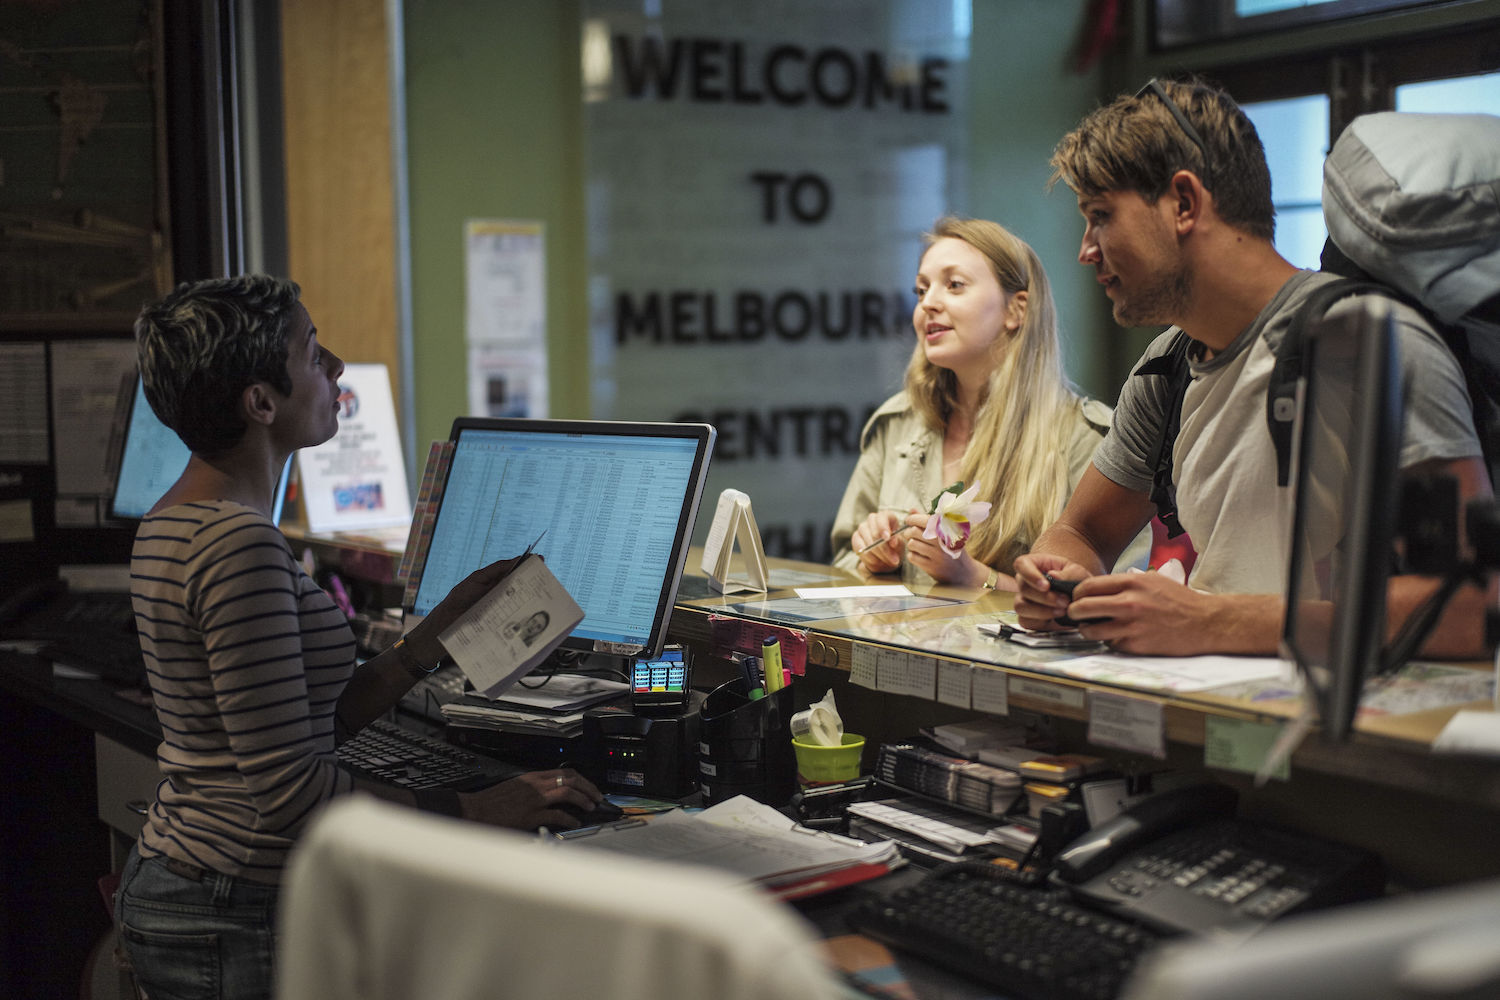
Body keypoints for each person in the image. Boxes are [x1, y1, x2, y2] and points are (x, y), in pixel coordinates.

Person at [115, 275, 604, 1000]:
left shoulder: (174, 519)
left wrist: (428, 642)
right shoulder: (237, 547)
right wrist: (475, 811)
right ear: (261, 402)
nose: (337, 367)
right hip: (235, 904)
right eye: (314, 353)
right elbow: (292, 794)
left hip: (200, 881)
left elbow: (304, 726)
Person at [1015, 77, 1491, 656]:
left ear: (1184, 205)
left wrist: (1211, 622)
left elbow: (1469, 608)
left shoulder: (1368, 343)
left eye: (1101, 215)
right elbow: (1084, 531)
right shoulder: (1167, 367)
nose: (1086, 249)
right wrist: (1055, 576)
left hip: (1350, 735)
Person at [831, 215, 1147, 589]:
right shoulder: (895, 425)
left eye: (954, 285)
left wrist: (976, 579)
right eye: (920, 290)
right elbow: (842, 566)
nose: (928, 303)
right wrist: (873, 555)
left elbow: (1114, 596)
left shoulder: (1089, 440)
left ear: (1016, 310)